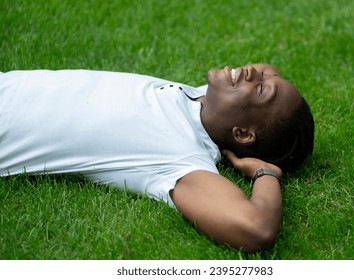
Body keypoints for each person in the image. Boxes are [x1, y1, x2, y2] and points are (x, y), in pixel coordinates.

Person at [0, 63, 314, 253]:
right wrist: (264, 87)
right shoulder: (205, 100)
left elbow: (255, 229)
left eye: (260, 88)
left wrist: (266, 173)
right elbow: (266, 72)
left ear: (243, 135)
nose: (253, 72)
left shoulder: (181, 156)